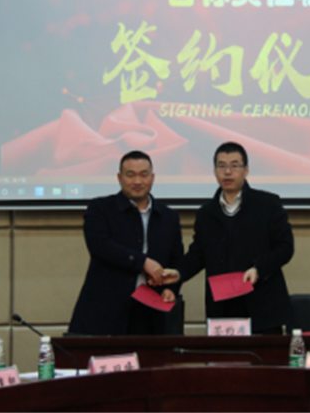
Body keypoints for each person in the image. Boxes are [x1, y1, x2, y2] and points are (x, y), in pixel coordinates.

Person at [158, 142, 294, 334]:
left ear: (246, 170)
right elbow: (198, 254)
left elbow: (285, 247)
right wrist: (179, 274)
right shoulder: (206, 213)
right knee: (223, 353)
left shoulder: (267, 204)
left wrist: (258, 269)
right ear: (214, 171)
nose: (227, 172)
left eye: (234, 166)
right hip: (222, 307)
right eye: (222, 166)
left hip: (262, 306)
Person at [68, 150, 184, 335]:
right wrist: (143, 262)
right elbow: (100, 245)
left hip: (150, 311)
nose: (137, 181)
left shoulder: (169, 216)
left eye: (144, 175)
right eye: (131, 175)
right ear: (119, 178)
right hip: (106, 310)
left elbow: (176, 260)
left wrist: (171, 288)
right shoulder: (101, 208)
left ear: (152, 178)